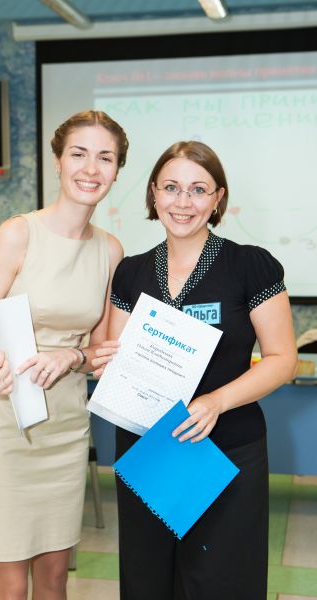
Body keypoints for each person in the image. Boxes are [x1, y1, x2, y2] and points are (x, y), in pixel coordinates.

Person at [93, 140, 298, 600]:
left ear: (218, 198)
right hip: (148, 451)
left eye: (198, 189)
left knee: (222, 582)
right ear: (153, 193)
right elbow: (113, 358)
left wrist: (216, 402)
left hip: (226, 450)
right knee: (148, 581)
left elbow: (283, 359)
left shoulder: (251, 266)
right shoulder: (131, 272)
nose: (183, 202)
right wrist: (106, 362)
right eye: (171, 187)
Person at [0, 110, 128, 600]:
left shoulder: (110, 250)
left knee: (54, 580)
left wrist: (71, 357)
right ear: (57, 161)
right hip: (4, 425)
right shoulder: (17, 234)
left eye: (105, 158)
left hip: (66, 430)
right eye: (79, 154)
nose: (90, 169)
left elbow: (100, 351)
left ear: (117, 170)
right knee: (10, 586)